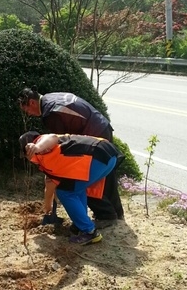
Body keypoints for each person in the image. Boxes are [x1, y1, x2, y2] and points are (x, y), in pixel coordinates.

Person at [18, 88, 124, 226]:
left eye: (27, 110)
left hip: (94, 136)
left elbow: (59, 148)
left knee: (81, 176)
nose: (29, 114)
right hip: (102, 128)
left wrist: (55, 175)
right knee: (106, 175)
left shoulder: (50, 113)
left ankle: (105, 216)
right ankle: (116, 213)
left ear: (32, 102)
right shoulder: (50, 98)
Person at [19, 131, 120, 245]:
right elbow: (49, 183)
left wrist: (36, 147)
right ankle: (80, 225)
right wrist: (48, 207)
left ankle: (90, 232)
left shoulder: (41, 142)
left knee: (65, 193)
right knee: (76, 189)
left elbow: (52, 137)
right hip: (107, 155)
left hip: (98, 157)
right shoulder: (46, 158)